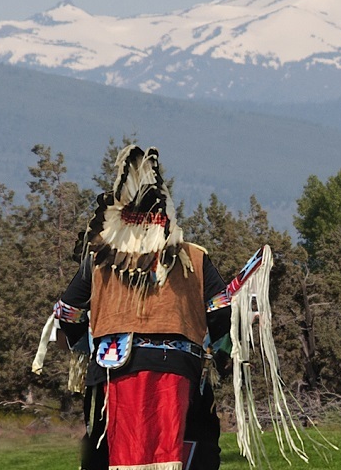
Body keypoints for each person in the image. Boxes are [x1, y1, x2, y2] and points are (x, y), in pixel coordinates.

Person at [33, 145, 302, 470]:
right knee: (187, 451)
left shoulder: (99, 259)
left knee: (115, 453)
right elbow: (220, 312)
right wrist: (218, 354)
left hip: (115, 369)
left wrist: (83, 347)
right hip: (180, 370)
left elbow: (68, 312)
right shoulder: (194, 256)